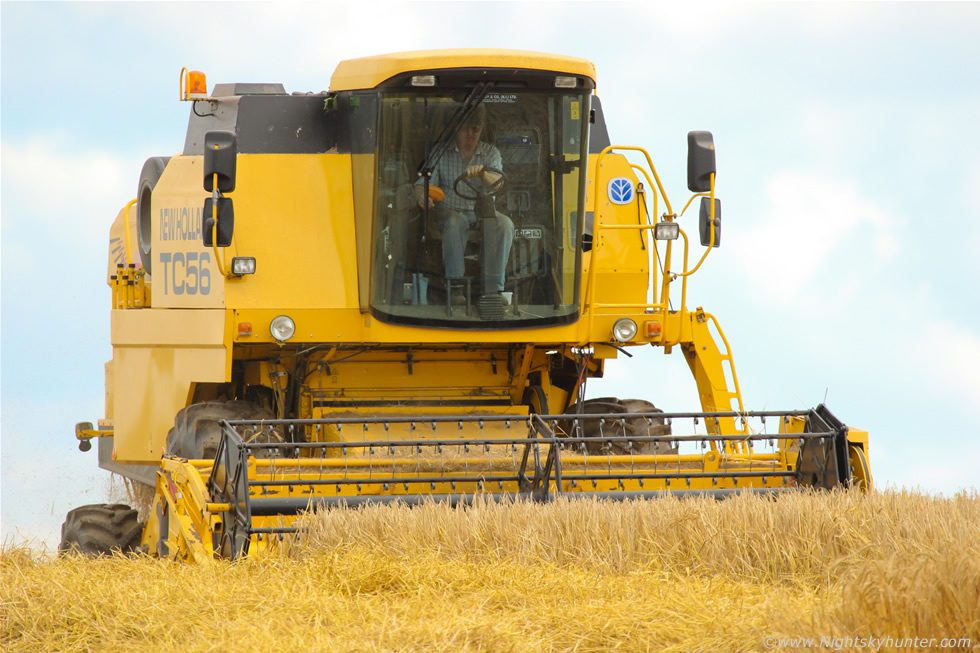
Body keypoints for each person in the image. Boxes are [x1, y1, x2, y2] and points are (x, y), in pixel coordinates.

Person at [414, 104, 514, 297]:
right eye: (466, 129)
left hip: (483, 213)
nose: (470, 134)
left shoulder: (490, 153)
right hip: (448, 212)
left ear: (482, 129)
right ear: (455, 128)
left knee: (505, 224)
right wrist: (422, 196)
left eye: (475, 129)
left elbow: (498, 183)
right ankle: (456, 287)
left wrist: (483, 173)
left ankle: (495, 289)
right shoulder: (440, 152)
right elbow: (421, 184)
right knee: (455, 221)